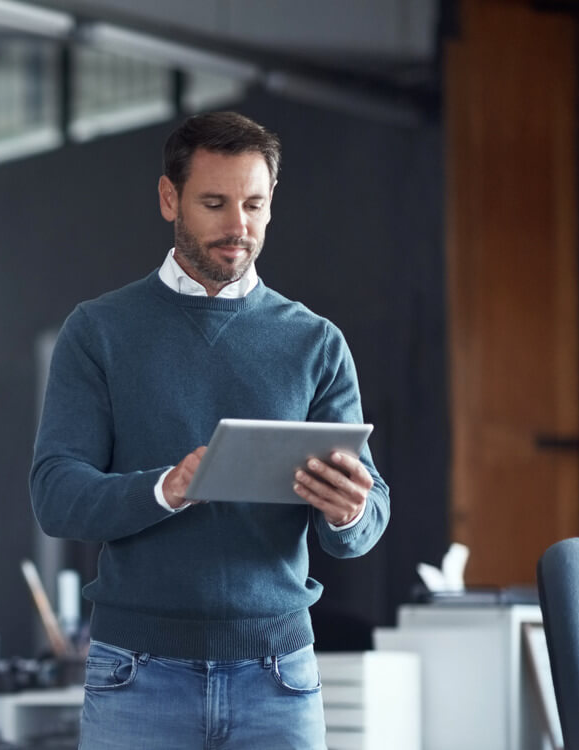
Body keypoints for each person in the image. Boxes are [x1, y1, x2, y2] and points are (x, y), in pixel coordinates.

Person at [29, 111, 390, 749]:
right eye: (215, 203)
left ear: (272, 202)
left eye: (253, 204)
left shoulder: (316, 343)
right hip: (135, 675)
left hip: (278, 677)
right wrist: (166, 489)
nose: (237, 227)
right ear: (170, 198)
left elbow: (366, 517)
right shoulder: (99, 332)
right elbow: (56, 494)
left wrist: (348, 511)